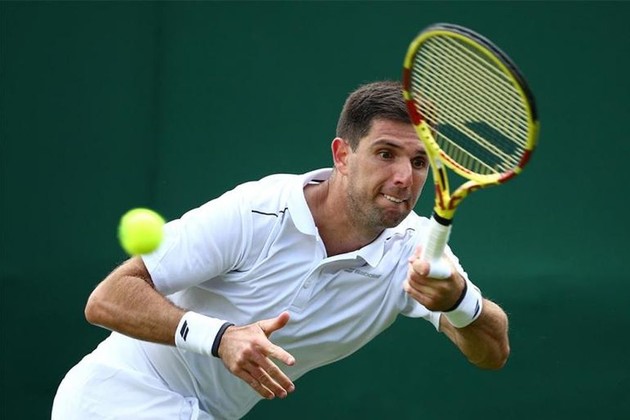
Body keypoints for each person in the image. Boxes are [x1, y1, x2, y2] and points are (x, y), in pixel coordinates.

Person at [52, 80, 509, 419]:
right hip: (114, 398)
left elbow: (492, 351)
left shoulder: (416, 248)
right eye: (385, 154)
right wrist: (220, 337)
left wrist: (459, 302)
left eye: (419, 161)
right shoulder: (256, 211)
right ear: (342, 155)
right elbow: (107, 299)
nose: (404, 177)